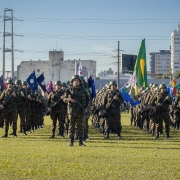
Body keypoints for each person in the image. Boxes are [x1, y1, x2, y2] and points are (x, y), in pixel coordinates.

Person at [63, 75, 89, 146]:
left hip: (81, 111)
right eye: (75, 81)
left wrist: (86, 108)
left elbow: (88, 100)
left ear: (79, 82)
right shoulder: (69, 90)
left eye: (77, 80)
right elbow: (63, 98)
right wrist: (69, 99)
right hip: (72, 111)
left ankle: (80, 142)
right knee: (71, 126)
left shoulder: (83, 90)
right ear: (72, 82)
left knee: (81, 126)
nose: (76, 82)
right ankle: (71, 141)